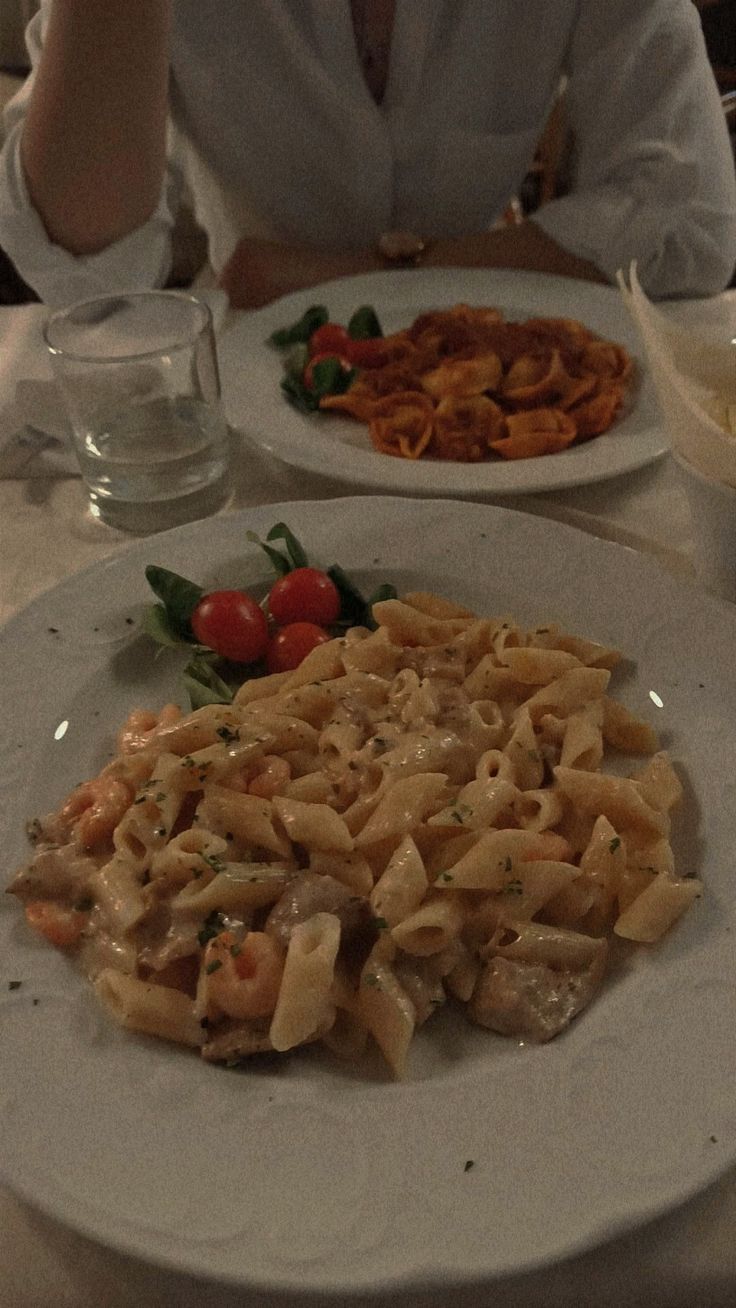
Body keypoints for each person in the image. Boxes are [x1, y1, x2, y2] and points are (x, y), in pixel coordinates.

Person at [0, 0, 735, 310]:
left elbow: (698, 230)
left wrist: (317, 277)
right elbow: (84, 269)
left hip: (497, 359)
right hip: (244, 402)